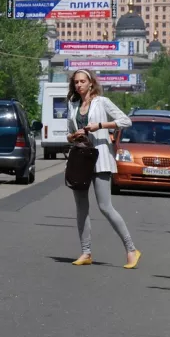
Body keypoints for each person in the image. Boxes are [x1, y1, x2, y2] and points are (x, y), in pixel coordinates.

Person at [65, 69, 140, 269]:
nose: (79, 85)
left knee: (105, 207)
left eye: (83, 81)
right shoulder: (73, 106)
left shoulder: (102, 102)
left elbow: (126, 121)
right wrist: (73, 136)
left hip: (100, 159)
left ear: (91, 83)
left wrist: (100, 125)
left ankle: (131, 249)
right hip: (80, 160)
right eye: (76, 82)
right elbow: (68, 133)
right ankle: (86, 252)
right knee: (81, 208)